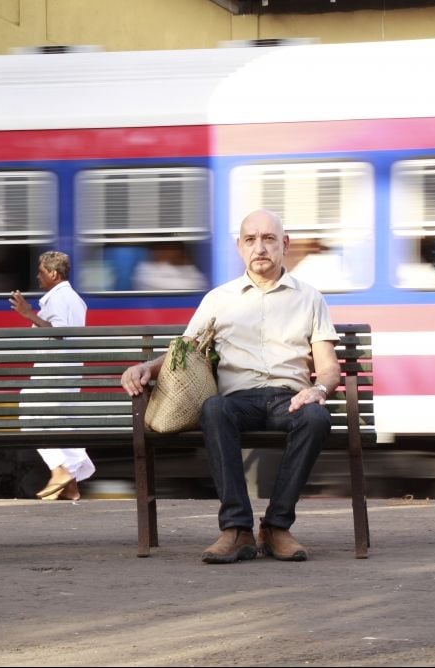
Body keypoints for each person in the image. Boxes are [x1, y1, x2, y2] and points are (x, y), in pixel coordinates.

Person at [121, 209, 341, 564]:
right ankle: (237, 529)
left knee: (317, 419)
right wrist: (147, 367)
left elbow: (329, 368)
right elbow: (184, 350)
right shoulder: (219, 299)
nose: (260, 248)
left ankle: (276, 527)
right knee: (213, 408)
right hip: (238, 401)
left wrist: (318, 391)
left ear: (284, 244)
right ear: (240, 247)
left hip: (290, 400)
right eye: (251, 240)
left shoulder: (310, 298)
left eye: (269, 239)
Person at [8, 250, 95, 501]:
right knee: (61, 424)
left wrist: (28, 314)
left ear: (53, 273)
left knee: (30, 409)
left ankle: (59, 469)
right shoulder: (71, 298)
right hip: (68, 373)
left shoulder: (59, 298)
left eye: (41, 271)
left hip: (55, 372)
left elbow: (59, 332)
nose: (37, 276)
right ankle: (71, 486)